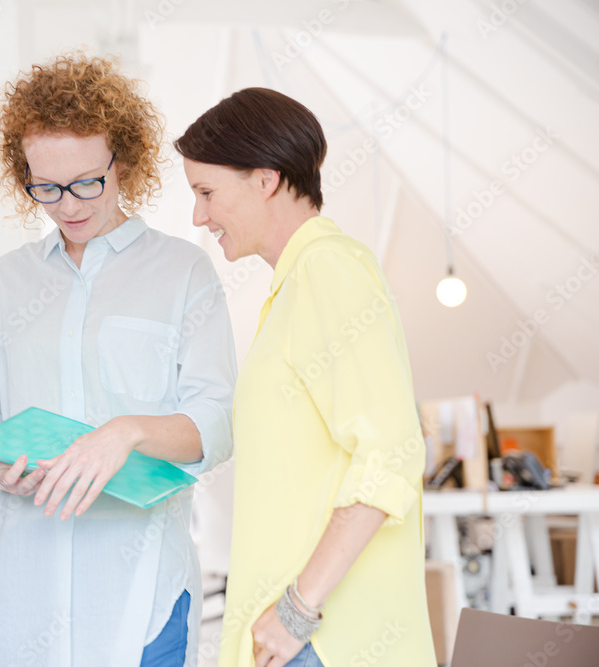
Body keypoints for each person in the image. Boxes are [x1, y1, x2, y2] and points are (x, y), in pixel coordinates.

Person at [0, 53, 237, 666]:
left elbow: (215, 422)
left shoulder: (183, 272)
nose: (69, 205)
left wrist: (125, 433)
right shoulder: (4, 284)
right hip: (25, 585)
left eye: (87, 182)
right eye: (46, 188)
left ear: (123, 161)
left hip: (143, 589)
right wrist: (2, 471)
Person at [176, 88, 437, 667]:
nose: (199, 215)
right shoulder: (296, 284)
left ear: (265, 179)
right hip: (299, 635)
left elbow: (390, 454)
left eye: (206, 191)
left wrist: (297, 610)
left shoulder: (329, 270)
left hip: (327, 638)